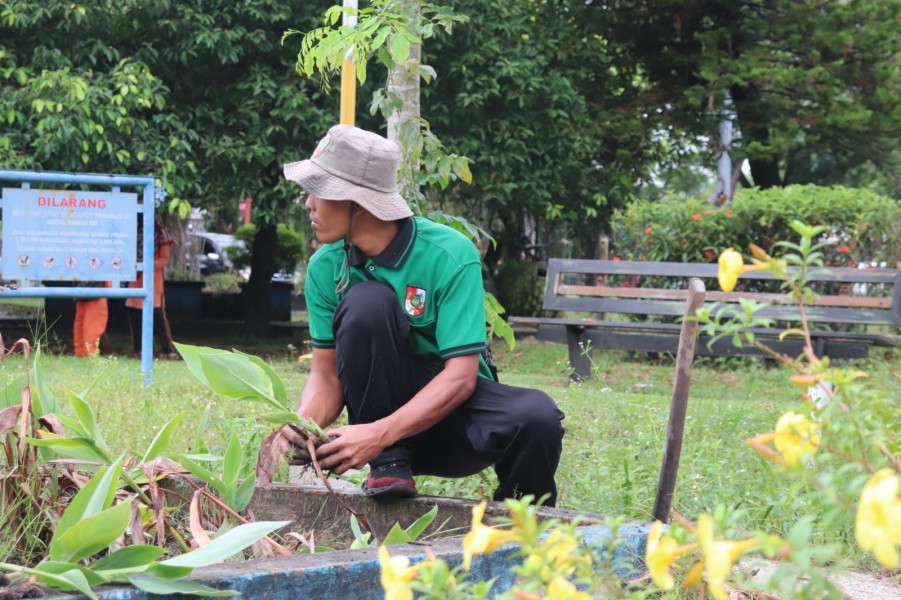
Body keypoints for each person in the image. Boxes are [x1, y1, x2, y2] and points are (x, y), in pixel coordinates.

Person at [278, 124, 565, 504]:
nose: (309, 204)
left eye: (320, 192)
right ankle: (389, 467)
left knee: (538, 416)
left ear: (357, 201)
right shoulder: (325, 267)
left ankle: (524, 513)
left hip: (453, 420)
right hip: (381, 440)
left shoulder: (450, 253)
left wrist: (380, 431)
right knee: (367, 302)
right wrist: (302, 427)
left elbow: (461, 379)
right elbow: (326, 374)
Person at [126, 215, 178, 359]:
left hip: (153, 281)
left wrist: (149, 265)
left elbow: (165, 259)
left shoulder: (161, 235)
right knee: (134, 313)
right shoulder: (133, 232)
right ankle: (138, 350)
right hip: (135, 279)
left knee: (158, 316)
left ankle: (168, 350)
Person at [73, 282, 109, 357]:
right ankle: (90, 355)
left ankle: (81, 354)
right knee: (91, 327)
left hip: (81, 289)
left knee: (81, 324)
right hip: (95, 291)